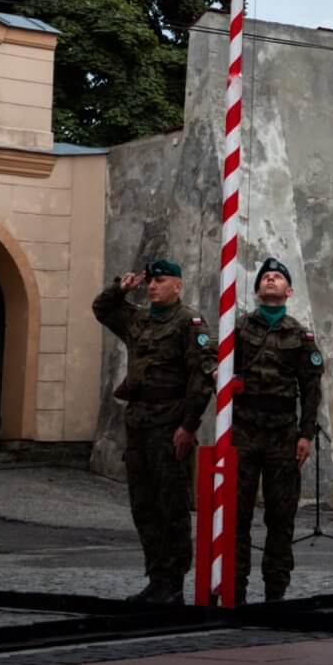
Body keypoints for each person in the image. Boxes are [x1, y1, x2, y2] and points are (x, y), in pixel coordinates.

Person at [92, 258, 216, 604]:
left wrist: (189, 427)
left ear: (177, 285)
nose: (153, 287)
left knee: (171, 505)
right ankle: (156, 577)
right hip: (139, 423)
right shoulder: (139, 319)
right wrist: (121, 287)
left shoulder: (189, 322)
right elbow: (102, 309)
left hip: (170, 422)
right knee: (143, 505)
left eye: (161, 281)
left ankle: (174, 582)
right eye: (151, 282)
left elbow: (201, 378)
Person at [233, 256, 324, 604]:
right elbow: (215, 364)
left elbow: (311, 388)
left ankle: (275, 591)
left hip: (283, 434)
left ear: (289, 290)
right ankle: (235, 587)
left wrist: (306, 434)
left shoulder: (300, 335)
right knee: (237, 515)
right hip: (244, 430)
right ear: (257, 289)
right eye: (265, 277)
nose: (270, 280)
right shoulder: (239, 328)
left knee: (281, 515)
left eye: (277, 277)